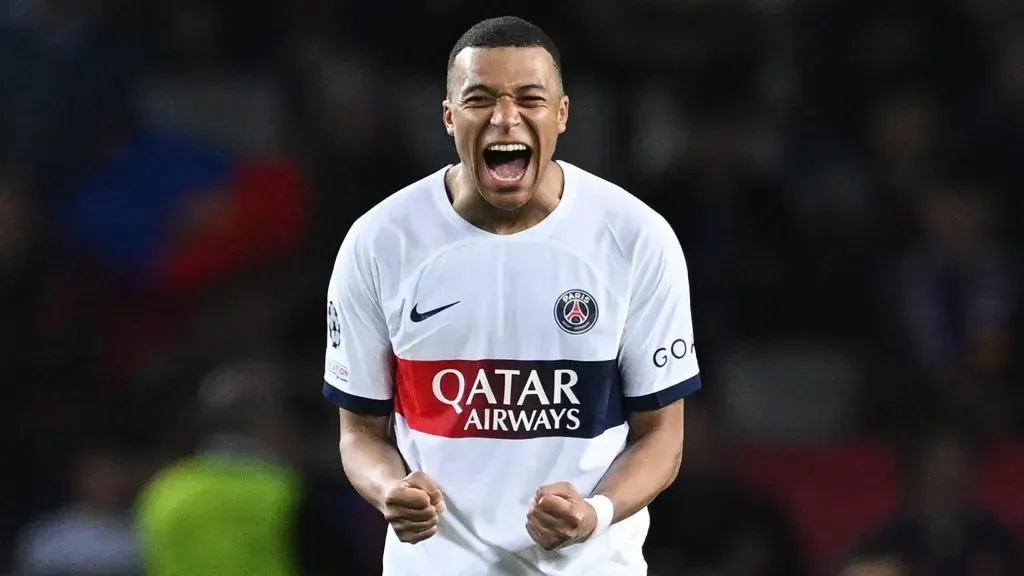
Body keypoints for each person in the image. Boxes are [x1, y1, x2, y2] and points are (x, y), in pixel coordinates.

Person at [323, 16, 701, 575]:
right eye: (480, 100)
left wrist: (593, 513)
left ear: (563, 114)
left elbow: (663, 438)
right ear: (450, 117)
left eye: (530, 98)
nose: (505, 117)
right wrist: (390, 491)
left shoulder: (635, 238)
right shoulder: (380, 242)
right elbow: (358, 434)